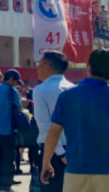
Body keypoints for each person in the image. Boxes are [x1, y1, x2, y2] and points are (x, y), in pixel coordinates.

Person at [41, 49, 109, 192]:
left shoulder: (67, 97)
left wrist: (46, 161)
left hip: (76, 171)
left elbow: (53, 131)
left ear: (89, 68)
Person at [32, 51, 74, 192]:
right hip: (75, 149)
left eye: (39, 64)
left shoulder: (40, 90)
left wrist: (60, 154)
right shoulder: (75, 89)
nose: (37, 68)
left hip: (52, 152)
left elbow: (45, 126)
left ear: (47, 66)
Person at [0, 69, 23, 191]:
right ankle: (5, 186)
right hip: (7, 131)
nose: (16, 84)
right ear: (11, 78)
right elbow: (18, 108)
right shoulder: (12, 91)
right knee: (7, 160)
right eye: (16, 81)